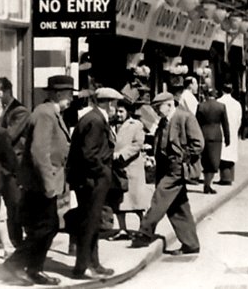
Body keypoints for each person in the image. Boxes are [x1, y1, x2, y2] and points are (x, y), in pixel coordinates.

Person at [4, 75, 75, 286]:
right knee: (44, 228)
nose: (71, 98)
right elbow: (39, 152)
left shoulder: (53, 113)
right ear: (58, 94)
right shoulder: (45, 114)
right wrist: (49, 186)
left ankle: (34, 269)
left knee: (48, 228)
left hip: (46, 183)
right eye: (69, 94)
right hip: (40, 185)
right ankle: (13, 267)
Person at [131, 91, 204, 255]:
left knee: (159, 197)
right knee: (178, 207)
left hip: (177, 168)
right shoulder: (164, 121)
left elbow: (198, 143)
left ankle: (144, 232)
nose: (156, 111)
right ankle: (191, 243)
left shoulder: (185, 117)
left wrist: (182, 158)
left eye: (158, 107)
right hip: (164, 168)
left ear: (170, 104)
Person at [67, 87, 122, 280]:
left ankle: (94, 263)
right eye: (115, 104)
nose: (116, 108)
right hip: (91, 181)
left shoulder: (94, 118)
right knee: (88, 223)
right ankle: (81, 268)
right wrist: (103, 173)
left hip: (91, 179)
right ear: (109, 103)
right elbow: (89, 154)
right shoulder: (96, 121)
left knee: (93, 222)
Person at [112, 93, 147, 239]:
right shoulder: (111, 125)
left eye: (122, 112)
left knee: (136, 201)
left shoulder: (136, 125)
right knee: (119, 202)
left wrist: (121, 154)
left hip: (132, 167)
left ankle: (143, 227)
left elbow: (137, 144)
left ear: (128, 112)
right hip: (117, 169)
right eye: (117, 111)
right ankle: (122, 229)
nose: (118, 114)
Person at [0, 77, 27, 247]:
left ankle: (16, 240)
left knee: (14, 204)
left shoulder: (19, 111)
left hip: (13, 165)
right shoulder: (4, 110)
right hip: (2, 165)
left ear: (7, 91)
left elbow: (9, 136)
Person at [195, 89, 230, 195]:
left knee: (206, 161)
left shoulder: (201, 106)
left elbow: (196, 123)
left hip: (204, 135)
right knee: (214, 162)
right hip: (216, 136)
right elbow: (225, 124)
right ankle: (208, 185)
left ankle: (207, 184)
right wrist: (228, 138)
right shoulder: (221, 106)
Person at [0, 123, 17, 258]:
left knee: (0, 214)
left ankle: (7, 245)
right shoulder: (1, 133)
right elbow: (9, 158)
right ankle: (7, 246)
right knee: (0, 213)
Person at [217, 83, 242, 186]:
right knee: (231, 154)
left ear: (222, 90)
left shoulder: (218, 102)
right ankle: (230, 177)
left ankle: (224, 177)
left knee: (223, 154)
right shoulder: (237, 104)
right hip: (233, 130)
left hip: (222, 130)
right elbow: (239, 119)